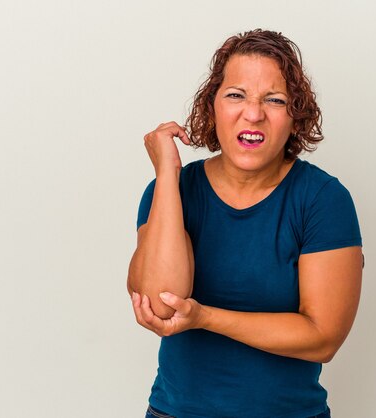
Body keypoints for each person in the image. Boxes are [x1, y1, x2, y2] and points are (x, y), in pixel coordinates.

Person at [128, 29, 363, 418]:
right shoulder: (169, 192)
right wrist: (168, 175)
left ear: (295, 117)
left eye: (274, 99)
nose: (253, 113)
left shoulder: (323, 200)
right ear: (211, 107)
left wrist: (205, 317)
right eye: (236, 95)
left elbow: (322, 338)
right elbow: (160, 305)